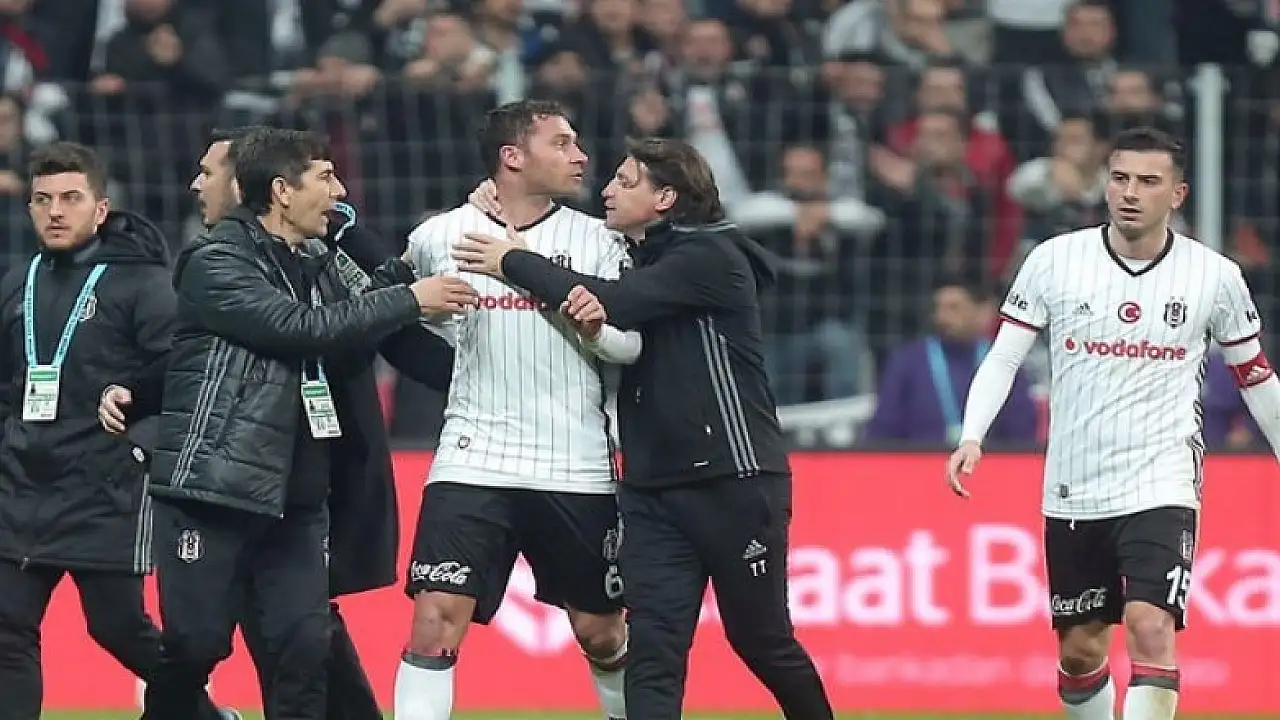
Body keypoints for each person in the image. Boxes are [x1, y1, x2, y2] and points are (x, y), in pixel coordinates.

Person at [453, 137, 834, 720]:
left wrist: (510, 260)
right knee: (654, 649)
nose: (607, 190)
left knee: (761, 640)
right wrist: (501, 204)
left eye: (626, 182)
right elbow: (572, 253)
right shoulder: (637, 254)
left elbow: (616, 303)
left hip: (733, 481)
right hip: (653, 491)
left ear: (665, 198)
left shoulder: (709, 256)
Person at [99, 127, 457, 720]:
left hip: (298, 497)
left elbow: (375, 313)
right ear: (283, 192)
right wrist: (414, 297)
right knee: (195, 645)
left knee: (304, 649)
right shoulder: (214, 259)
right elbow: (298, 328)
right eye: (326, 178)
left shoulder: (318, 261)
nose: (339, 193)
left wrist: (391, 253)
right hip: (217, 490)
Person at [945, 126, 1280, 720]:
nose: (1130, 192)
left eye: (1148, 181)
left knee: (1151, 625)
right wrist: (972, 434)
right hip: (1075, 483)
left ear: (1177, 194)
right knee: (1080, 651)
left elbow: (1254, 376)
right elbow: (1003, 358)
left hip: (1163, 478)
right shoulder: (1054, 261)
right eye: (1120, 178)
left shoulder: (1215, 276)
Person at [392, 99, 638, 720]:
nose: (580, 156)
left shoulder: (600, 241)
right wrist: (453, 376)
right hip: (473, 458)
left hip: (574, 464)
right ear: (513, 157)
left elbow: (630, 346)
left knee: (600, 632)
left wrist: (587, 323)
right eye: (561, 143)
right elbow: (398, 319)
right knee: (434, 620)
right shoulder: (437, 237)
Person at [0, 142, 234, 720]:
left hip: (105, 486)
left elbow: (179, 370)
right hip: (20, 485)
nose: (56, 211)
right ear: (30, 209)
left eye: (71, 198)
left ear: (100, 209)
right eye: (43, 200)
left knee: (116, 626)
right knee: (6, 628)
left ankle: (205, 715)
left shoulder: (142, 284)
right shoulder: (17, 282)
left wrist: (140, 445)